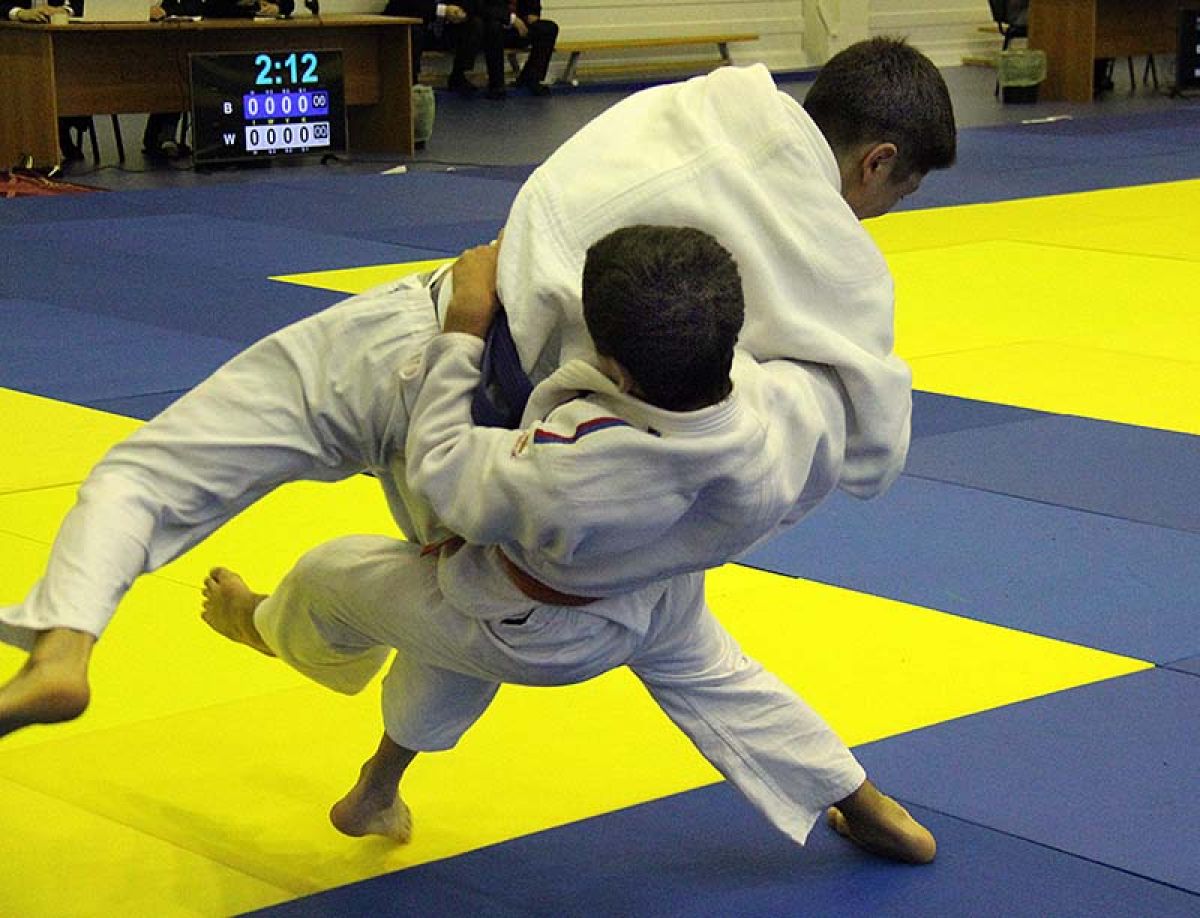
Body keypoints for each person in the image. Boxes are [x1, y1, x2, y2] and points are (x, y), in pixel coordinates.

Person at [0, 38, 956, 741]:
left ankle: (65, 644)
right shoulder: (840, 270)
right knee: (469, 609)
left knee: (159, 471)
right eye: (898, 193)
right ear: (876, 161)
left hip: (430, 330)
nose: (879, 216)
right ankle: (368, 751)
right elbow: (869, 446)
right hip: (512, 449)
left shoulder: (699, 105)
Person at [201, 227, 937, 863]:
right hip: (662, 596)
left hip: (541, 631)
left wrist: (462, 328)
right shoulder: (784, 410)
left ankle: (259, 622)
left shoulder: (575, 469)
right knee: (728, 686)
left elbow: (442, 468)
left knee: (333, 576)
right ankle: (870, 807)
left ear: (614, 366)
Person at [2, 0, 94, 162]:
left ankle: (60, 130)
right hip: (10, 40)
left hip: (59, 42)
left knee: (74, 75)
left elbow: (81, 4)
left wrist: (64, 10)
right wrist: (19, 13)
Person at [384, 0, 487, 97]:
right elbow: (406, 5)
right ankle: (411, 81)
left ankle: (459, 75)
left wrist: (462, 11)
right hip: (419, 24)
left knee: (475, 24)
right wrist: (443, 10)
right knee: (414, 32)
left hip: (446, 28)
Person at [481, 0, 557, 98]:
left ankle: (531, 78)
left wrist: (532, 13)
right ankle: (497, 85)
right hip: (496, 27)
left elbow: (533, 6)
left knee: (549, 28)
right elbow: (484, 8)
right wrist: (512, 19)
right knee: (493, 28)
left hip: (520, 29)